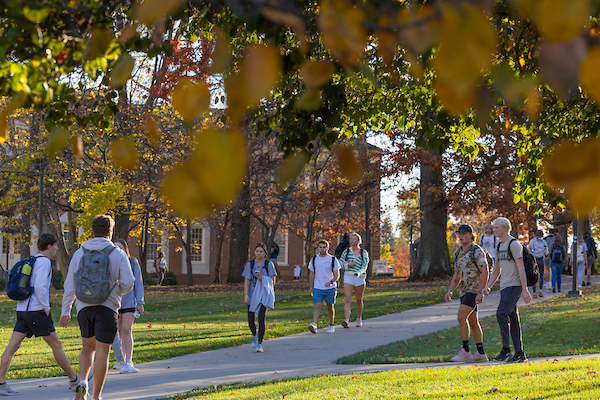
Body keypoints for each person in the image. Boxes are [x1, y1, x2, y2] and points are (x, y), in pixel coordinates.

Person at [60, 214, 134, 400]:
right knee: (102, 353)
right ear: (110, 231)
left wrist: (65, 310)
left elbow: (69, 284)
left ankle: (83, 381)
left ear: (92, 231)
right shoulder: (117, 253)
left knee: (87, 347)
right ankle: (95, 396)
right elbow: (128, 282)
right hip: (107, 308)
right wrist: (117, 290)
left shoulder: (80, 252)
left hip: (84, 308)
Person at [0, 234, 79, 396]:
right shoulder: (44, 262)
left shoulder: (33, 260)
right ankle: (74, 380)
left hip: (22, 310)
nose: (57, 249)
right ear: (49, 246)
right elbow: (40, 287)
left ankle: (1, 383)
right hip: (36, 311)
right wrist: (46, 308)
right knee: (56, 345)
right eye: (56, 246)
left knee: (13, 345)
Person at [483, 217, 531, 363]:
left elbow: (521, 268)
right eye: (493, 227)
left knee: (501, 313)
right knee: (512, 318)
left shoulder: (514, 244)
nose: (493, 229)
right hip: (505, 286)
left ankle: (506, 350)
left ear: (505, 228)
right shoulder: (498, 247)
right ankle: (519, 354)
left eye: (496, 227)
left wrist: (524, 290)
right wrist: (488, 286)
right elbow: (496, 270)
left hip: (514, 285)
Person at [446, 225, 489, 363]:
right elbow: (457, 275)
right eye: (459, 234)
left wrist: (481, 292)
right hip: (464, 291)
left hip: (474, 289)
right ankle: (481, 353)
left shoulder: (477, 251)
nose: (461, 236)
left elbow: (485, 271)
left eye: (464, 234)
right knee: (473, 321)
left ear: (471, 235)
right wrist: (450, 290)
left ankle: (465, 350)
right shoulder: (458, 253)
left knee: (461, 317)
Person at [114, 238, 145, 374]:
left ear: (125, 249)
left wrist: (140, 302)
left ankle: (129, 360)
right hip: (114, 302)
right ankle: (120, 360)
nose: (118, 250)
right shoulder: (110, 262)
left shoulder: (132, 263)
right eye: (115, 247)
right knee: (118, 331)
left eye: (120, 247)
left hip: (129, 302)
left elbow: (138, 282)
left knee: (126, 329)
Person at [242, 243, 276, 353]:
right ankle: (254, 335)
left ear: (265, 253)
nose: (259, 253)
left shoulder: (268, 264)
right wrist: (246, 295)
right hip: (252, 295)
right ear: (254, 252)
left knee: (261, 319)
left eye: (261, 251)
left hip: (263, 295)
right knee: (250, 321)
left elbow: (272, 281)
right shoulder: (250, 265)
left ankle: (260, 344)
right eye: (257, 251)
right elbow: (247, 280)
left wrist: (262, 279)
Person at [308, 240, 341, 334]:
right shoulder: (314, 259)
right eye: (320, 247)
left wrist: (331, 282)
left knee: (330, 306)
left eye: (324, 247)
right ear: (318, 248)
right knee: (317, 305)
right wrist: (311, 287)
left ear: (327, 248)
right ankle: (314, 324)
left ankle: (331, 324)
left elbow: (336, 275)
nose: (322, 249)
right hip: (318, 287)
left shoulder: (332, 259)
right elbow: (311, 275)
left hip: (330, 288)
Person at [339, 232, 369, 328]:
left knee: (358, 300)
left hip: (359, 278)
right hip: (348, 276)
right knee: (348, 299)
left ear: (358, 241)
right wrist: (348, 265)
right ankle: (346, 320)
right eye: (351, 239)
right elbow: (340, 263)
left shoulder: (363, 252)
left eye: (354, 239)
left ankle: (359, 318)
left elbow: (365, 265)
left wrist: (359, 272)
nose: (352, 241)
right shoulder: (346, 252)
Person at [527, 229, 548, 299]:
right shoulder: (544, 242)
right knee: (541, 275)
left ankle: (534, 292)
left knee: (534, 275)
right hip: (541, 259)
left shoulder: (532, 241)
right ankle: (540, 290)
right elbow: (546, 252)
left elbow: (529, 250)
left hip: (534, 260)